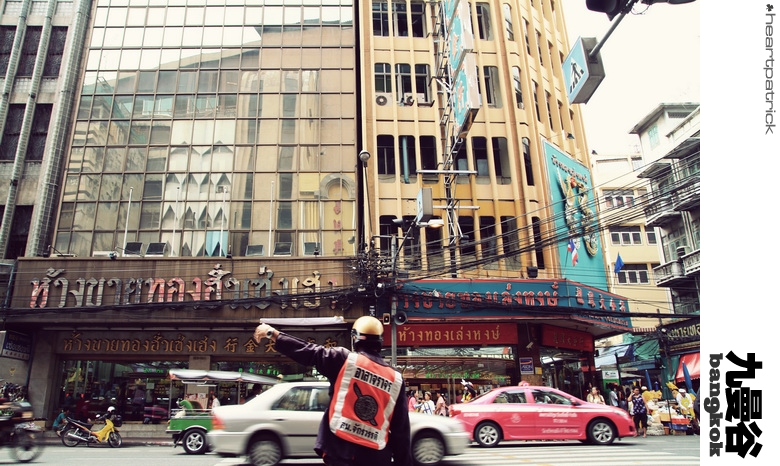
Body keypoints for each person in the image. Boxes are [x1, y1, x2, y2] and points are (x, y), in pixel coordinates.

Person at [254, 317, 412, 466]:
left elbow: (309, 352)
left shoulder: (344, 360)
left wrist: (272, 333)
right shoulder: (396, 378)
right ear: (380, 342)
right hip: (376, 457)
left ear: (355, 338)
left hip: (341, 452)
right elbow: (401, 431)